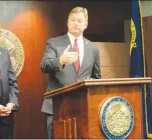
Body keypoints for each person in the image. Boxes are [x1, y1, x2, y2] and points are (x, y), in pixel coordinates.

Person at [40, 7, 101, 138]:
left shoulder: (93, 49)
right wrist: (60, 60)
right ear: (67, 22)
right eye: (72, 20)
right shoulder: (54, 43)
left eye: (79, 20)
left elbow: (96, 77)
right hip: (57, 107)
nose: (75, 23)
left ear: (86, 24)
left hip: (84, 108)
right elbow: (44, 66)